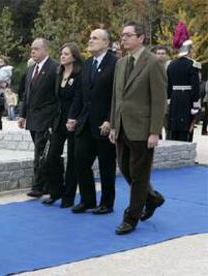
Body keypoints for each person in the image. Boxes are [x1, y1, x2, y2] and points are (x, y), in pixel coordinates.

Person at [109, 21, 167, 235]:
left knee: (140, 174)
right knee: (125, 169)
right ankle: (152, 198)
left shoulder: (153, 63)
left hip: (142, 128)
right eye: (122, 35)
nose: (123, 38)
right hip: (123, 127)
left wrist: (154, 131)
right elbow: (117, 97)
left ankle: (131, 217)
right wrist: (114, 124)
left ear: (141, 38)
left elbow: (159, 100)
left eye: (128, 35)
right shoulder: (121, 63)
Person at [69, 29, 117, 215]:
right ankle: (87, 200)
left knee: (106, 166)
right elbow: (80, 94)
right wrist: (73, 117)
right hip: (85, 123)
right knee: (80, 161)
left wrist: (110, 120)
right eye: (89, 38)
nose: (90, 41)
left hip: (103, 124)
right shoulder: (88, 64)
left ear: (106, 42)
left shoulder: (115, 63)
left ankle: (106, 203)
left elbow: (116, 95)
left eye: (95, 38)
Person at [41, 42, 82, 208]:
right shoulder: (58, 73)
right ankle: (56, 190)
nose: (62, 56)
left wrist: (73, 118)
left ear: (74, 56)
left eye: (66, 54)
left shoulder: (79, 75)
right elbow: (55, 99)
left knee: (73, 160)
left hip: (73, 121)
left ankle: (69, 196)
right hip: (58, 121)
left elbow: (79, 98)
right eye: (62, 53)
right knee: (51, 157)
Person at [18, 38, 59, 198]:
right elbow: (26, 94)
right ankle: (46, 184)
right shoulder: (31, 70)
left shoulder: (54, 68)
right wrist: (22, 115)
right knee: (39, 150)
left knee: (41, 152)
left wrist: (54, 119)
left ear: (45, 50)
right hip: (33, 118)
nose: (33, 52)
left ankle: (39, 185)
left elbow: (57, 96)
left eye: (36, 49)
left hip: (47, 118)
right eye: (32, 49)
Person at [167, 22, 201, 142]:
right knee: (186, 129)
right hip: (187, 100)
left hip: (175, 99)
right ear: (189, 49)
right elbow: (195, 88)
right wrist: (196, 106)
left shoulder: (171, 64)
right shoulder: (193, 65)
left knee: (173, 129)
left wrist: (169, 101)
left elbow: (168, 86)